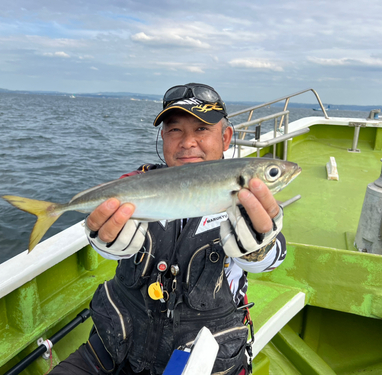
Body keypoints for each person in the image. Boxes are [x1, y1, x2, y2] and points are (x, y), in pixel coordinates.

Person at [50, 83, 286, 375]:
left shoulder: (247, 196)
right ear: (163, 137)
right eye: (175, 130)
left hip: (204, 363)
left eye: (201, 129)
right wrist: (101, 241)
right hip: (113, 349)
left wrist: (259, 247)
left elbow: (274, 255)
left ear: (225, 137)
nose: (187, 142)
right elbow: (104, 232)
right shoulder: (136, 182)